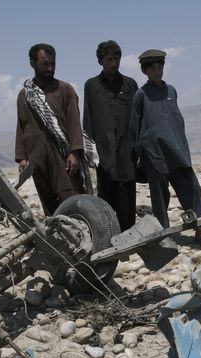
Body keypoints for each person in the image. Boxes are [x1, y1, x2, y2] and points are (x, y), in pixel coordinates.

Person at [129, 49, 201, 245]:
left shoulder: (171, 91)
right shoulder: (140, 95)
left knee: (191, 190)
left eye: (160, 66)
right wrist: (139, 153)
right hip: (154, 153)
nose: (157, 71)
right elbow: (135, 126)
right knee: (159, 197)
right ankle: (163, 237)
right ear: (145, 71)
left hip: (178, 150)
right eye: (153, 68)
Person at [15, 43, 88, 216]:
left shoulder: (65, 90)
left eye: (53, 64)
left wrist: (75, 152)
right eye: (45, 64)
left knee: (72, 202)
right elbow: (21, 125)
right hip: (37, 159)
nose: (50, 68)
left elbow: (74, 123)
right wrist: (22, 158)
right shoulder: (24, 94)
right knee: (49, 209)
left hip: (63, 158)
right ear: (32, 63)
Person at [83, 40, 138, 231]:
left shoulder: (130, 85)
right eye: (109, 59)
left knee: (127, 198)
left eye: (116, 59)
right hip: (103, 152)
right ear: (100, 61)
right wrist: (89, 151)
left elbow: (137, 118)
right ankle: (107, 237)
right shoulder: (91, 86)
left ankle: (128, 239)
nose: (114, 63)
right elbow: (87, 119)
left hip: (126, 152)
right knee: (105, 198)